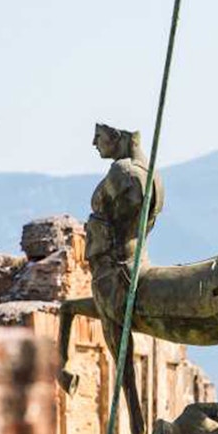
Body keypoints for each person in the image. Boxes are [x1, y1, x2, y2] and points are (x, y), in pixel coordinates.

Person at [84, 123, 164, 323]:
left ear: (116, 136)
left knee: (111, 321)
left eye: (98, 136)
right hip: (134, 257)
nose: (94, 143)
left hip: (118, 267)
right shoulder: (150, 171)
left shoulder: (123, 171)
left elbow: (120, 223)